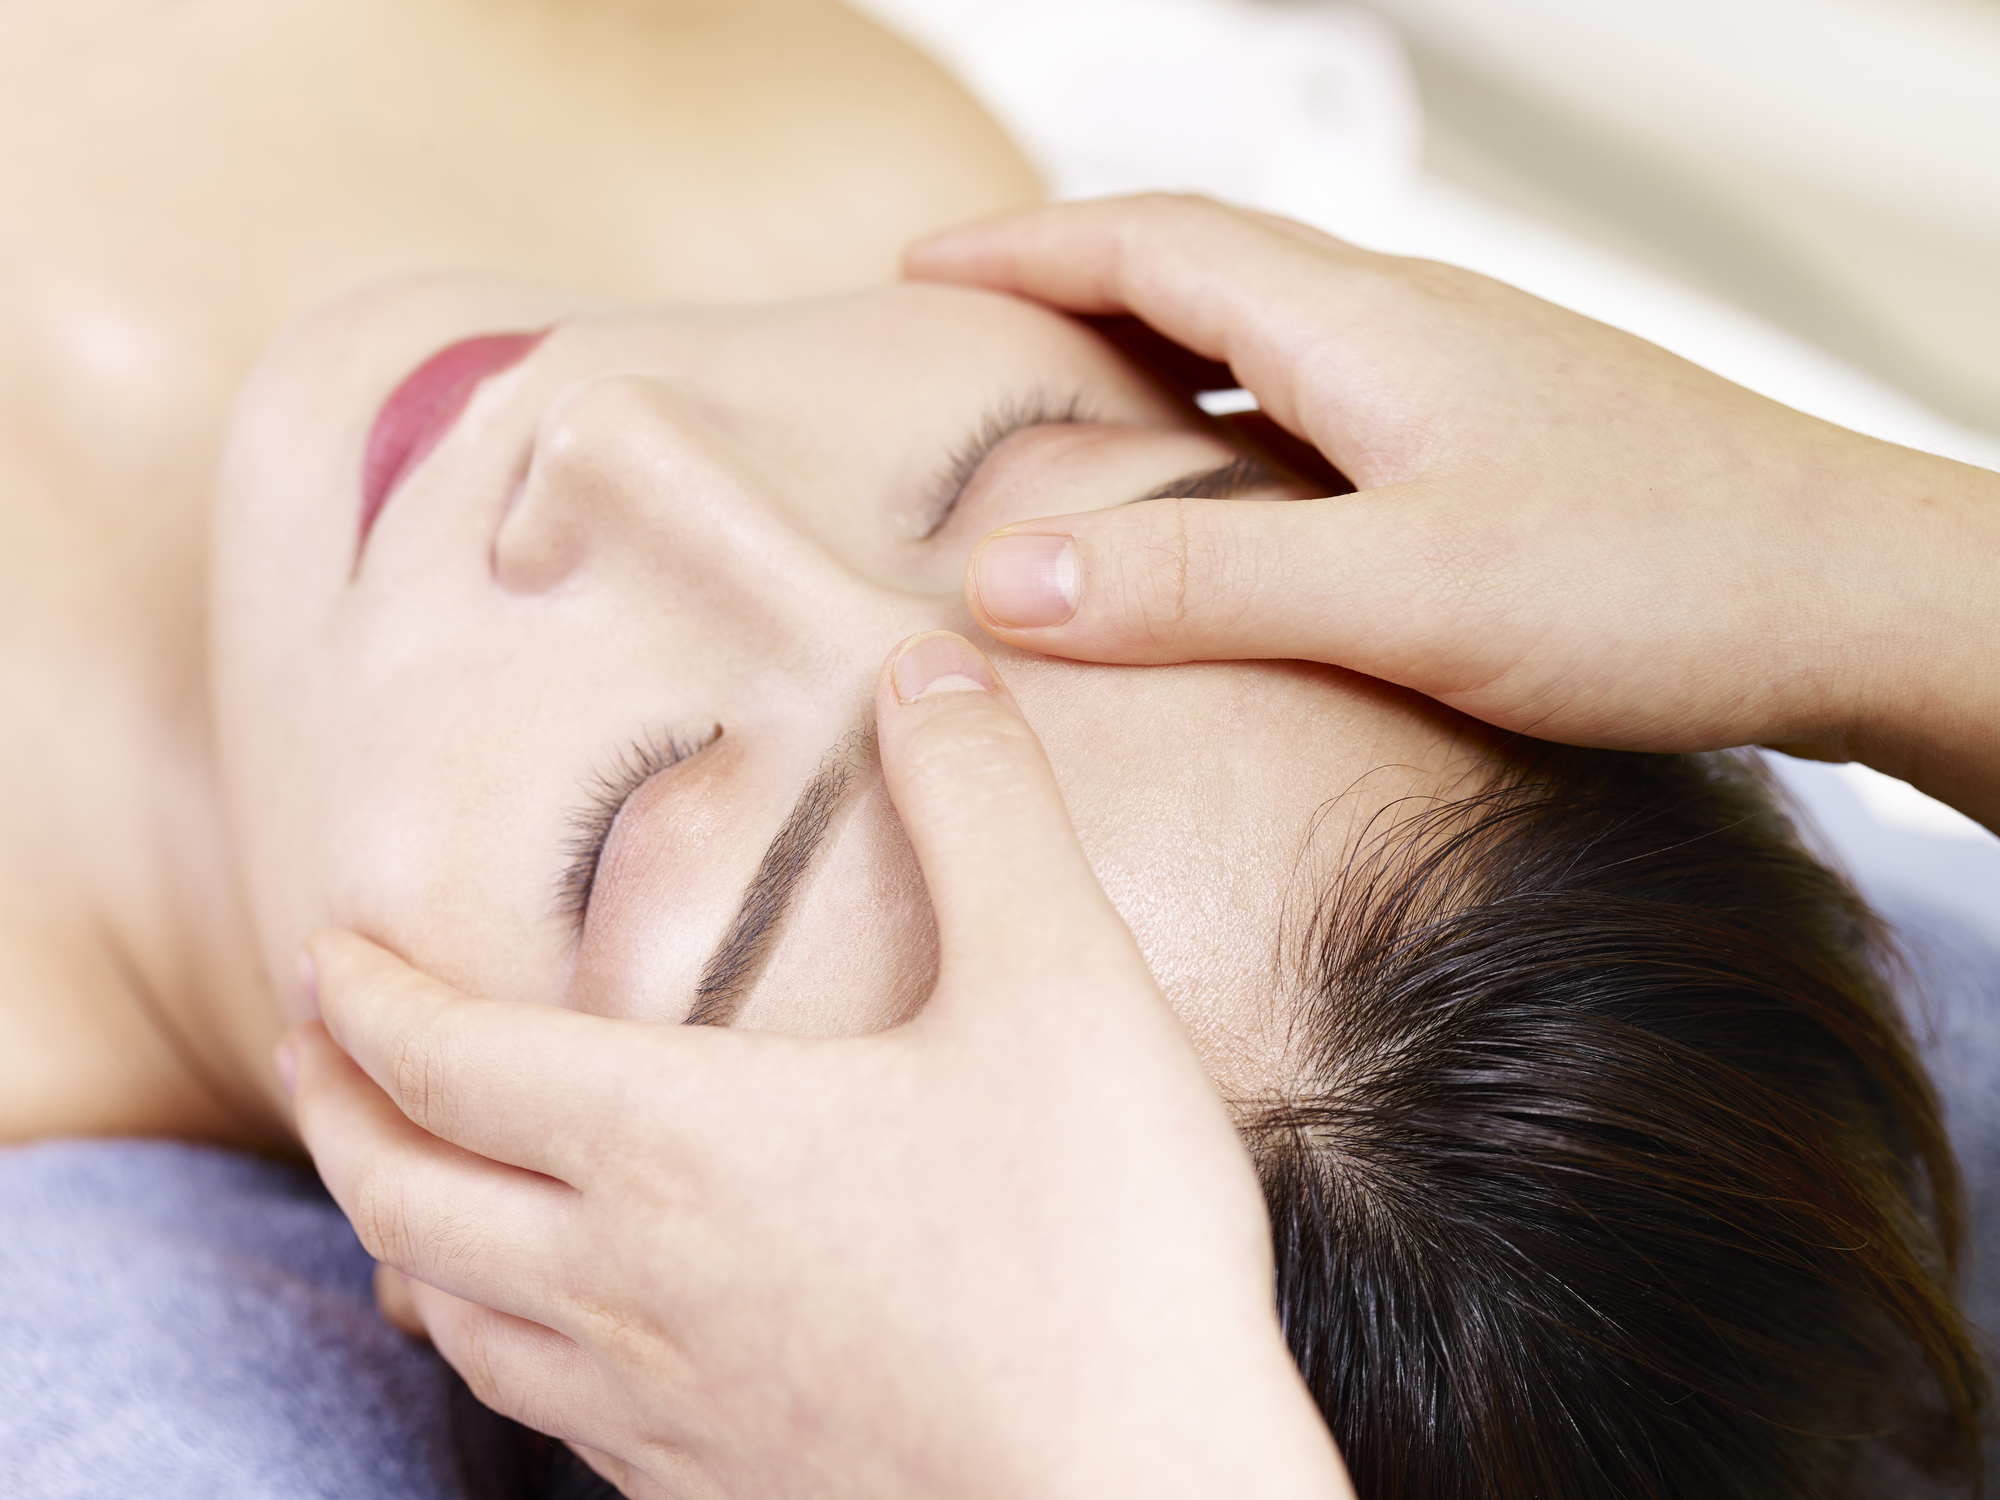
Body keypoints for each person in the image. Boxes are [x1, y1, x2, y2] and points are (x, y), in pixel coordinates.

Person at [0, 0, 1985, 1491]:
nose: (616, 447)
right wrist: (1880, 572)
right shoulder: (874, 142)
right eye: (1026, 476)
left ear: (538, 1313)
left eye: (643, 848)